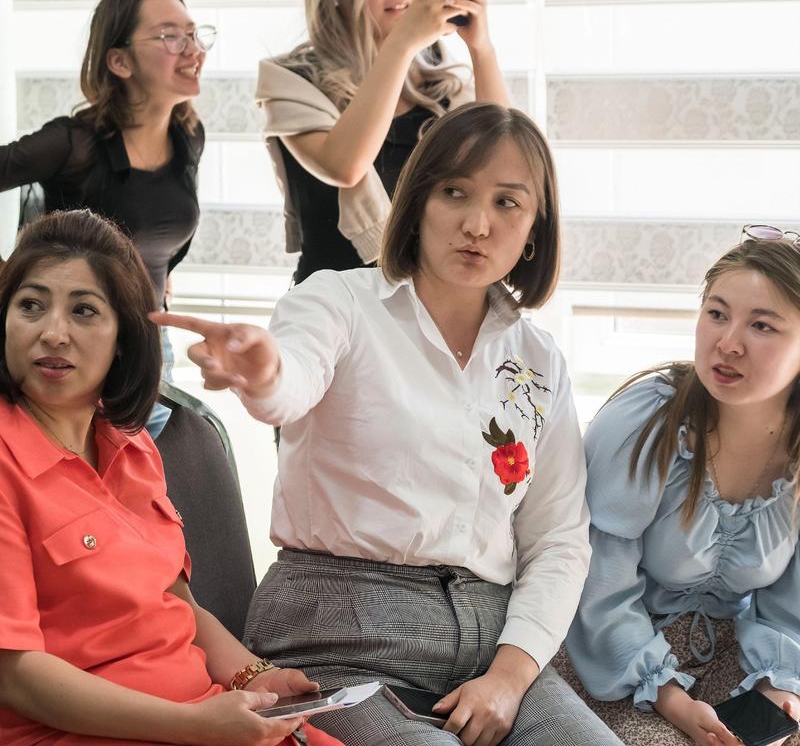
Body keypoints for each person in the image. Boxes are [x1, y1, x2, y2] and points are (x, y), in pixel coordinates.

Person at [154, 102, 622, 746]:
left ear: (536, 228)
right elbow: (288, 386)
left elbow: (559, 540)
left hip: (492, 643)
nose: (478, 224)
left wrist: (510, 677)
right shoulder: (338, 302)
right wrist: (261, 371)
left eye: (508, 203)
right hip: (333, 635)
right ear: (419, 203)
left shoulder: (538, 359)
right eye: (454, 192)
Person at [0, 210, 343, 746]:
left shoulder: (134, 444)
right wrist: (196, 727)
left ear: (124, 339)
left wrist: (257, 677)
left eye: (84, 311)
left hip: (197, 713)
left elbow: (176, 601)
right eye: (31, 306)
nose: (53, 332)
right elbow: (15, 675)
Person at [557, 230, 800, 746]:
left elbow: (788, 612)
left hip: (731, 657)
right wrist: (669, 697)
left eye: (761, 325)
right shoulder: (648, 422)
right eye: (716, 313)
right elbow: (596, 587)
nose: (728, 342)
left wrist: (777, 695)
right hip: (613, 660)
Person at [0, 0, 213, 436]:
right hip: (72, 350)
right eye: (171, 37)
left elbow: (160, 239)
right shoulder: (71, 143)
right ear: (119, 61)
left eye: (195, 35)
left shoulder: (188, 139)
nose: (192, 50)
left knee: (141, 493)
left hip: (150, 345)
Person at [258, 0, 509, 284]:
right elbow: (345, 165)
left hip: (427, 308)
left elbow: (507, 161)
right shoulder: (290, 79)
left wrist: (482, 47)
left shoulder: (441, 85)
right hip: (331, 310)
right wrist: (402, 43)